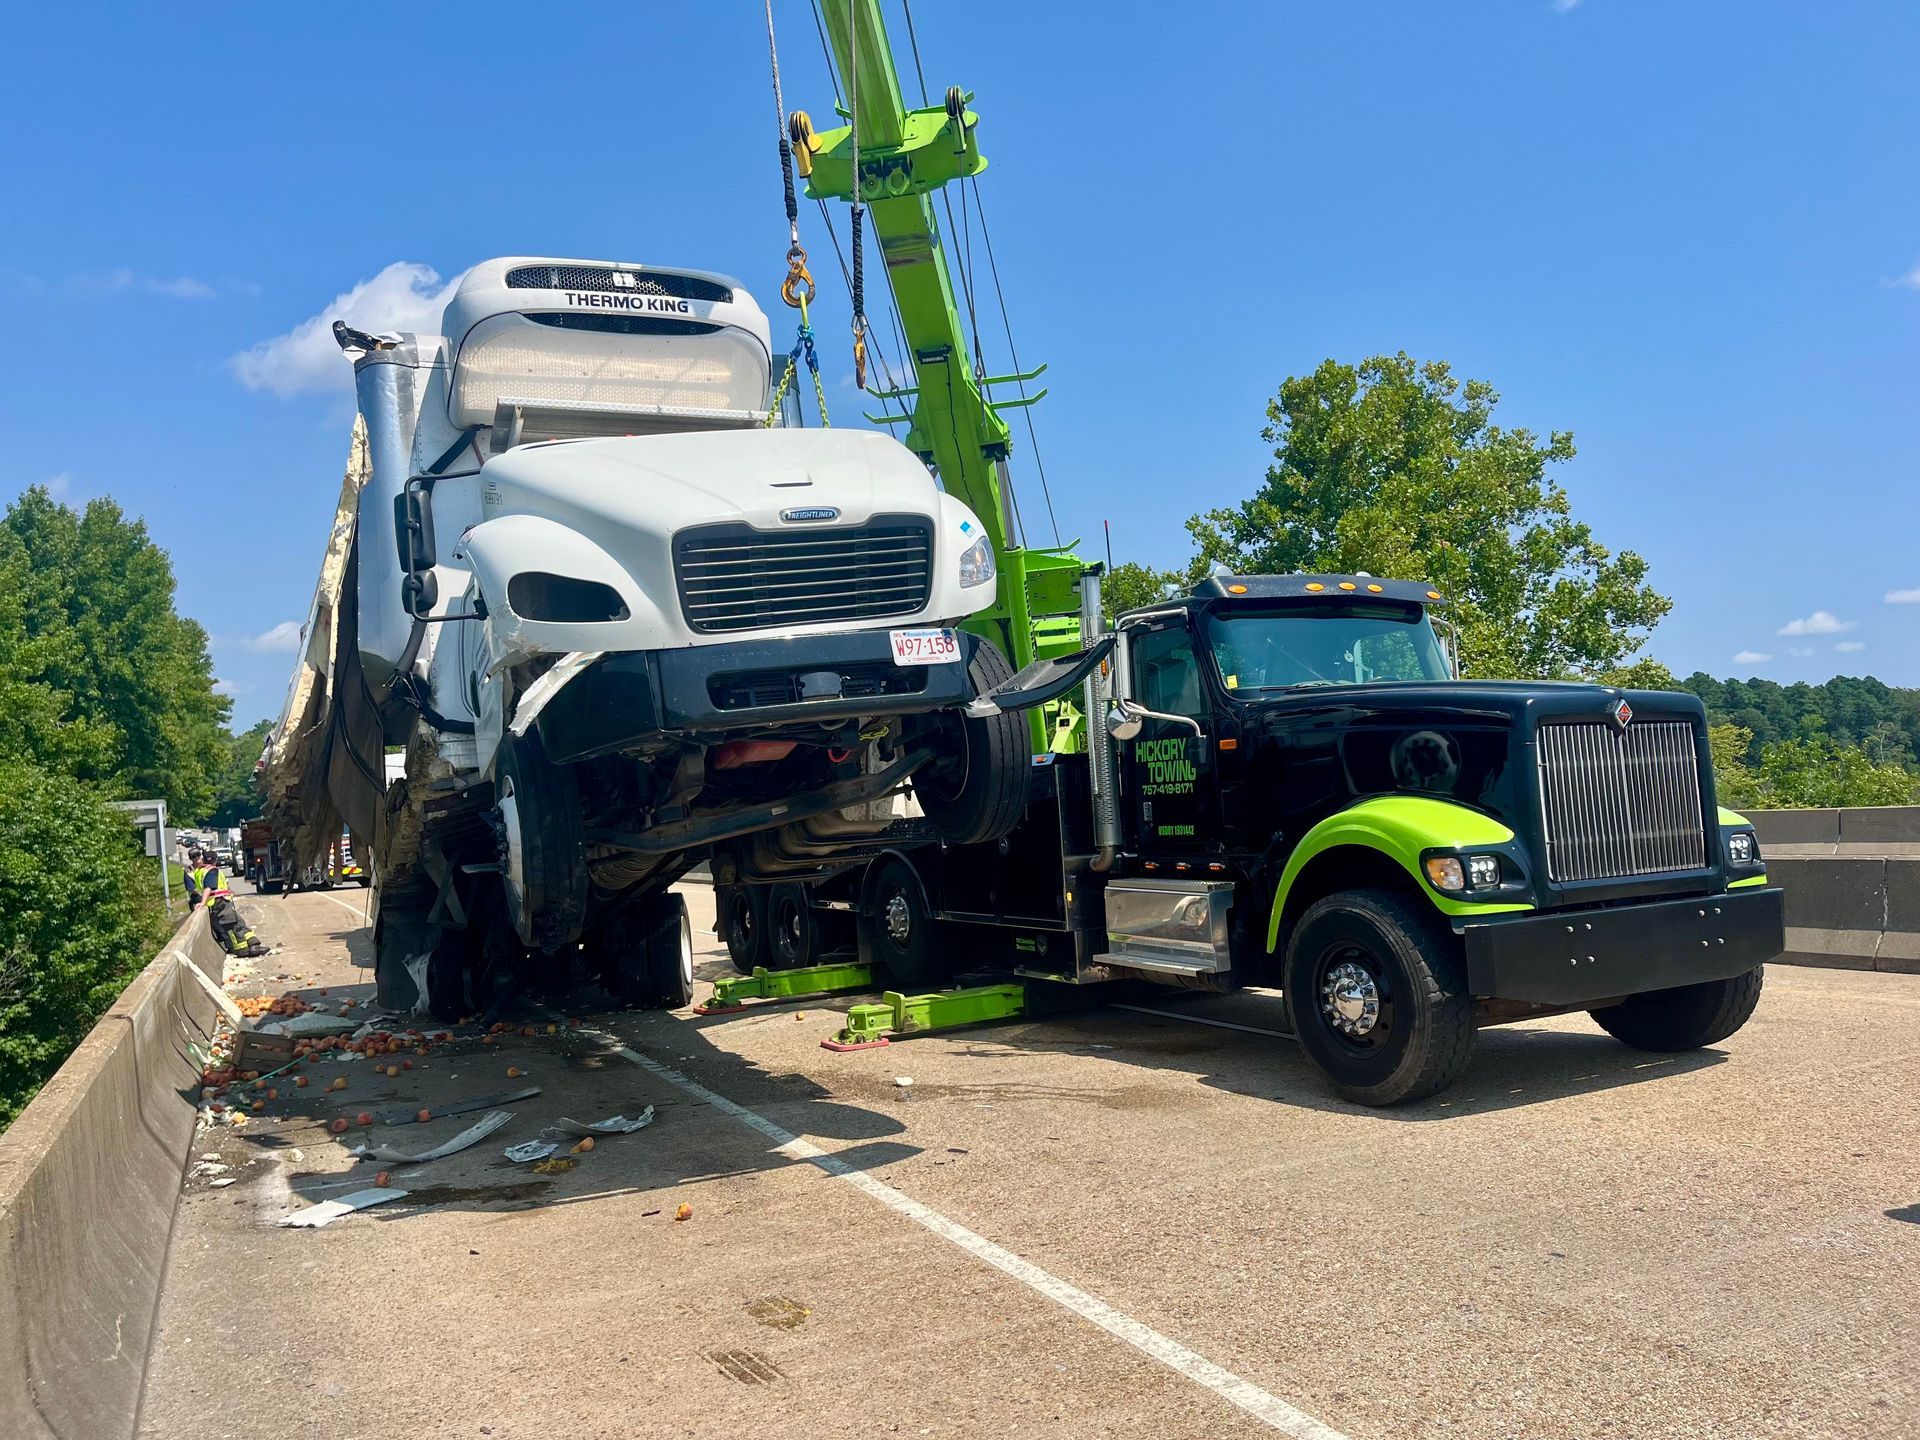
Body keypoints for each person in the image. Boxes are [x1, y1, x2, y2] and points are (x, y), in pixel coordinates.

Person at [195, 852, 268, 958]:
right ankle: (243, 949)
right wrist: (202, 902)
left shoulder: (200, 871)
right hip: (220, 903)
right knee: (233, 925)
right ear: (215, 860)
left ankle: (253, 944)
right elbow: (208, 887)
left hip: (219, 903)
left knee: (239, 922)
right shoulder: (212, 871)